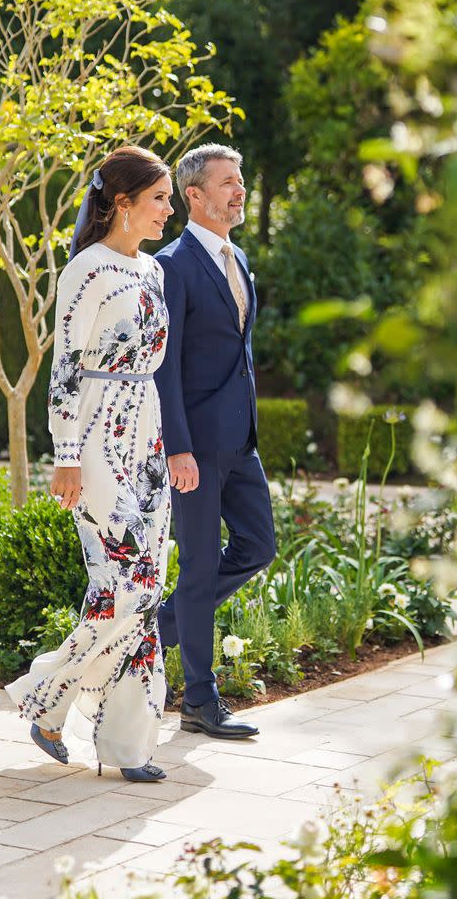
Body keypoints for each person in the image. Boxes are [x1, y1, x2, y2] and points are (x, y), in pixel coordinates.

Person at [5, 146, 174, 783]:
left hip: (147, 434)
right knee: (134, 583)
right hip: (98, 437)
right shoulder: (86, 269)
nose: (168, 209)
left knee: (136, 592)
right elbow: (67, 369)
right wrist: (67, 456)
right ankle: (46, 694)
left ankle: (127, 745)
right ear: (122, 203)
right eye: (158, 198)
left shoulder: (154, 272)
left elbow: (157, 367)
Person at [154, 143, 276, 738]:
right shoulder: (172, 265)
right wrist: (176, 446)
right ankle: (199, 702)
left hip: (240, 443)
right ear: (193, 196)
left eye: (241, 178)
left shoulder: (240, 258)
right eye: (227, 181)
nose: (240, 189)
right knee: (200, 567)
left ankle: (154, 628)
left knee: (259, 546)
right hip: (194, 449)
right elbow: (164, 365)